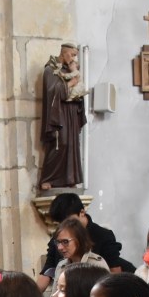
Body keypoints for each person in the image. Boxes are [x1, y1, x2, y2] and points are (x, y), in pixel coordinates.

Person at [37, 193, 133, 289]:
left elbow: (114, 275)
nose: (65, 226)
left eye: (69, 221)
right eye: (60, 223)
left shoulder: (103, 236)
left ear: (82, 212)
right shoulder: (59, 243)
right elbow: (48, 270)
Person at [40, 44, 85, 190]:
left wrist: (78, 95)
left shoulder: (70, 70)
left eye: (75, 55)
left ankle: (70, 178)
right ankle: (48, 179)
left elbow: (79, 88)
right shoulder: (50, 70)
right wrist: (71, 83)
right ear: (64, 53)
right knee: (61, 143)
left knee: (72, 144)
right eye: (72, 55)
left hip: (71, 113)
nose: (74, 58)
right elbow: (52, 91)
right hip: (58, 114)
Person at [52, 216, 107, 284]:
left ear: (79, 239)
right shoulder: (61, 266)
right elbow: (55, 291)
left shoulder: (97, 265)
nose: (59, 247)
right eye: (58, 242)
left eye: (65, 242)